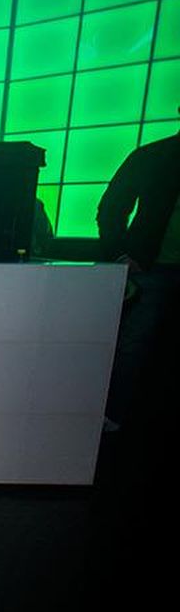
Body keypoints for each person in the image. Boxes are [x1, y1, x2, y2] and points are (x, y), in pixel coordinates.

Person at [96, 126, 180, 432]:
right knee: (133, 346)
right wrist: (121, 255)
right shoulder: (154, 155)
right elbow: (112, 207)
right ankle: (112, 417)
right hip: (151, 267)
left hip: (151, 267)